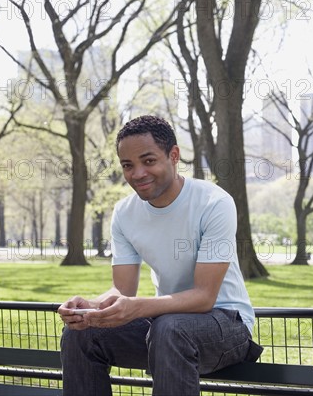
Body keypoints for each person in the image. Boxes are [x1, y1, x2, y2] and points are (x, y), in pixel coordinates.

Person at [58, 115, 263, 396]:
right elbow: (122, 289)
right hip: (166, 328)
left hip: (227, 326)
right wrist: (91, 307)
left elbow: (204, 296)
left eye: (149, 161)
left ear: (174, 155)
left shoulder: (214, 203)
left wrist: (138, 307)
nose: (138, 173)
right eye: (128, 165)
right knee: (82, 333)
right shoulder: (124, 213)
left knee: (169, 328)